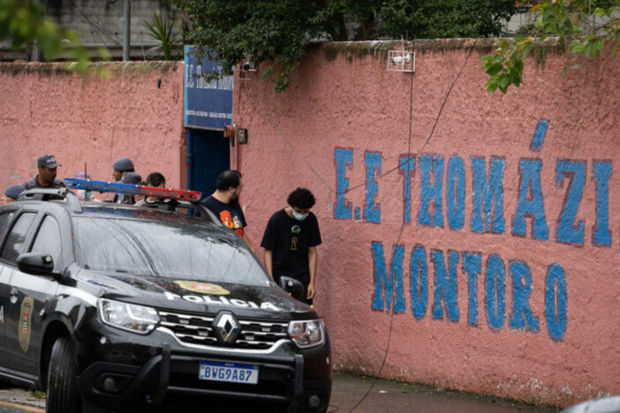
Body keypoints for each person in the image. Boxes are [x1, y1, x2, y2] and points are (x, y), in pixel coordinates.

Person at [260, 188, 321, 305]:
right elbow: (268, 251)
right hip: (279, 275)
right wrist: (271, 280)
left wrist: (312, 282)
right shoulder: (276, 220)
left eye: (305, 211)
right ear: (291, 206)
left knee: (303, 309)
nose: (302, 215)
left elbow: (312, 251)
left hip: (302, 276)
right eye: (298, 211)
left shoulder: (311, 219)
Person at [201, 170, 254, 250]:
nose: (241, 190)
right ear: (231, 189)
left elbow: (241, 231)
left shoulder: (234, 204)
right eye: (240, 187)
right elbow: (200, 239)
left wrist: (251, 250)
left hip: (238, 255)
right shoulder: (205, 207)